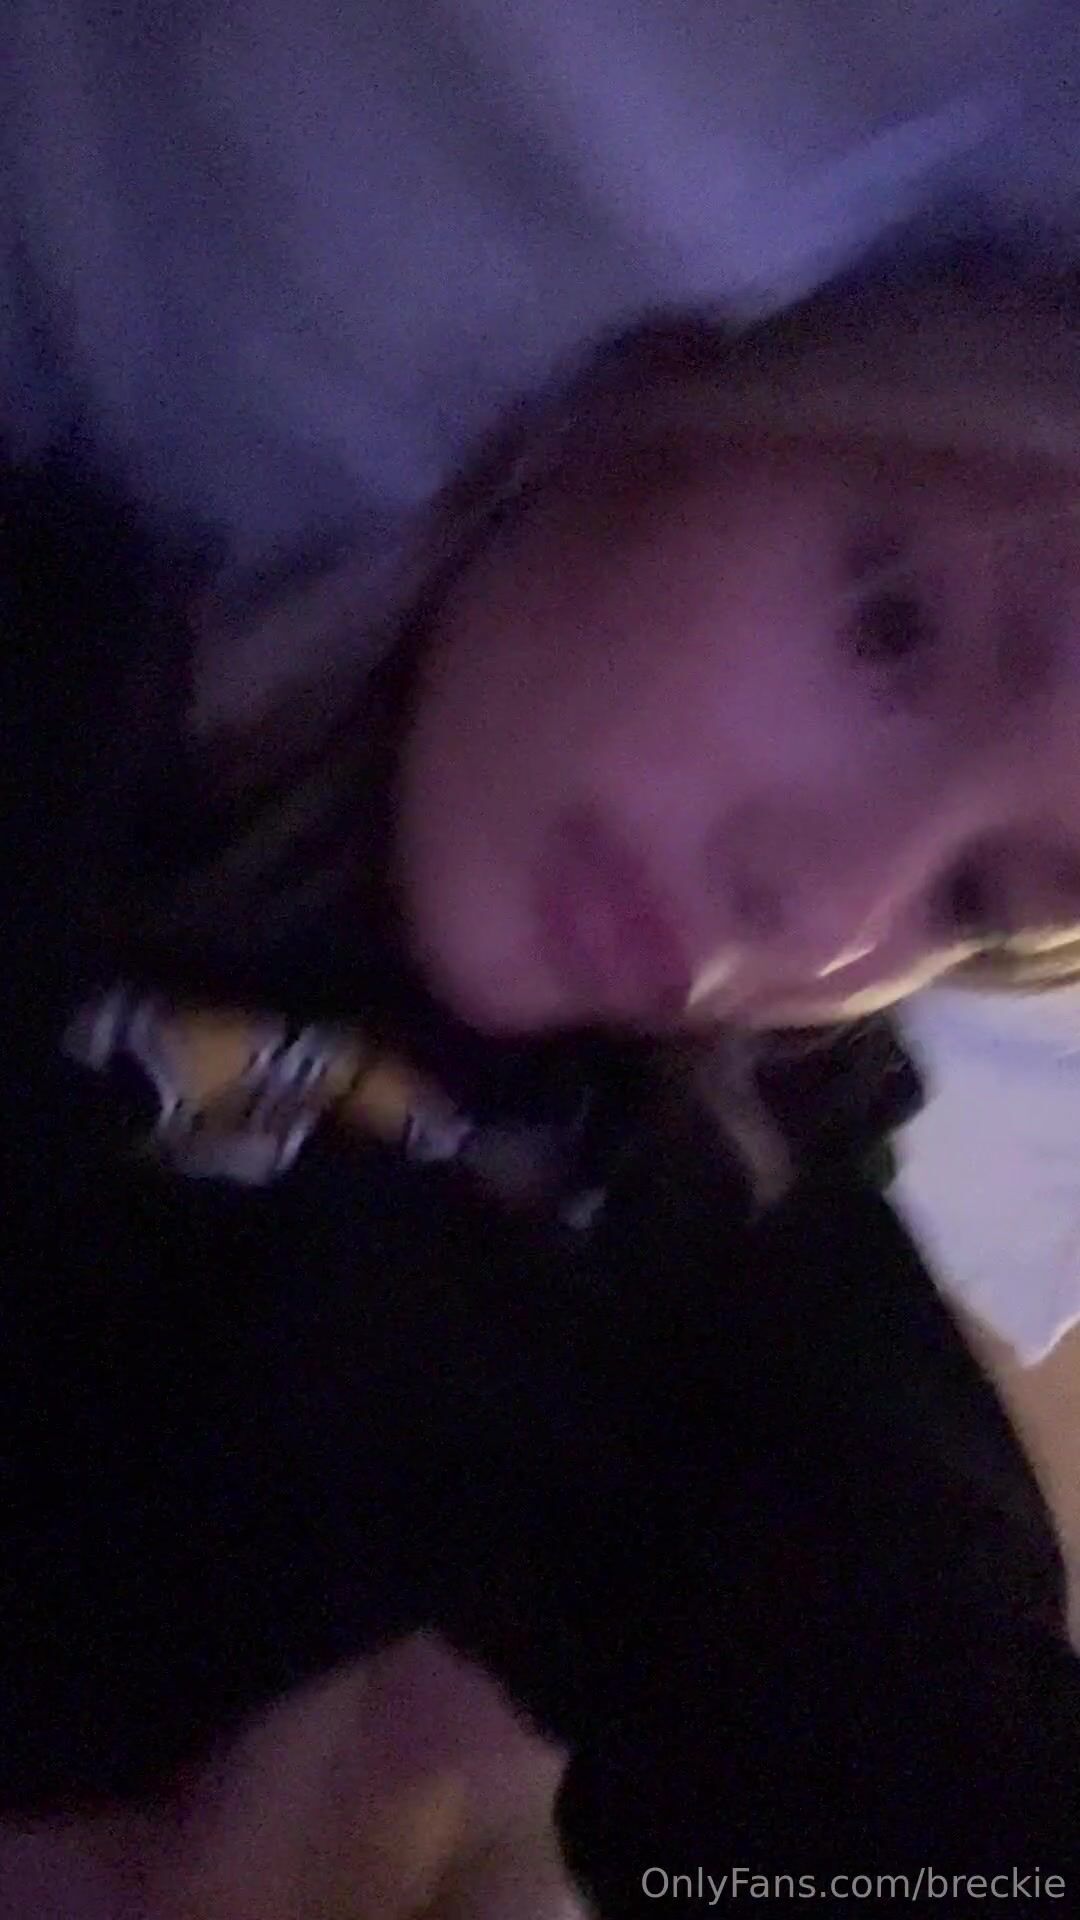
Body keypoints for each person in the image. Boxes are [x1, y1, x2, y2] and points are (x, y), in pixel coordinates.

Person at [6, 252, 1080, 1916]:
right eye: (893, 631)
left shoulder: (708, 1211)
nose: (821, 910)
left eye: (975, 902)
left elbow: (909, 1698)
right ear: (646, 399)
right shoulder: (58, 678)